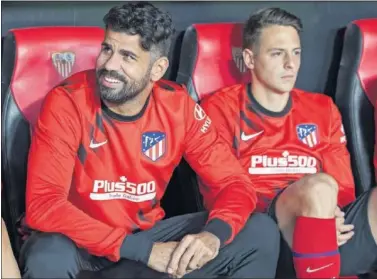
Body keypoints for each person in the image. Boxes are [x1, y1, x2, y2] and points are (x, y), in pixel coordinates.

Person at [19, 2, 280, 279]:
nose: (109, 65)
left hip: (143, 242)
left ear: (157, 69)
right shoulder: (68, 101)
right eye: (107, 49)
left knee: (258, 230)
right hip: (80, 247)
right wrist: (141, 250)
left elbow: (234, 183)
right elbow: (44, 205)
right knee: (48, 255)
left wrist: (212, 236)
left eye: (128, 57)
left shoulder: (177, 106)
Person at [200, 7, 377, 279]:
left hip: (330, 226)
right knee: (318, 187)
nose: (290, 64)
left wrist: (333, 216)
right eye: (277, 53)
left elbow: (342, 182)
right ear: (249, 57)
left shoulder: (322, 108)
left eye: (295, 53)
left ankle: (322, 261)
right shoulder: (219, 108)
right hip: (267, 231)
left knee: (326, 190)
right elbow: (220, 188)